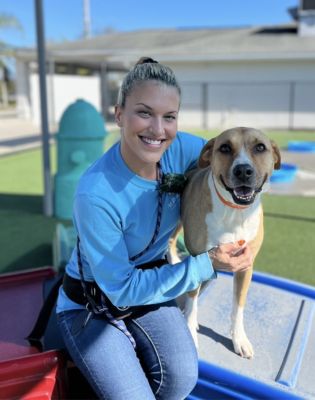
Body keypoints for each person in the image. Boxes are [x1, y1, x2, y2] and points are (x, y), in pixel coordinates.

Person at [56, 57, 253, 400]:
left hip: (152, 281)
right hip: (90, 303)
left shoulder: (183, 149)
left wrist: (249, 185)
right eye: (144, 113)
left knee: (182, 378)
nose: (158, 130)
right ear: (119, 115)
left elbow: (230, 154)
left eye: (170, 116)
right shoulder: (95, 193)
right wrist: (208, 263)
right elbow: (122, 290)